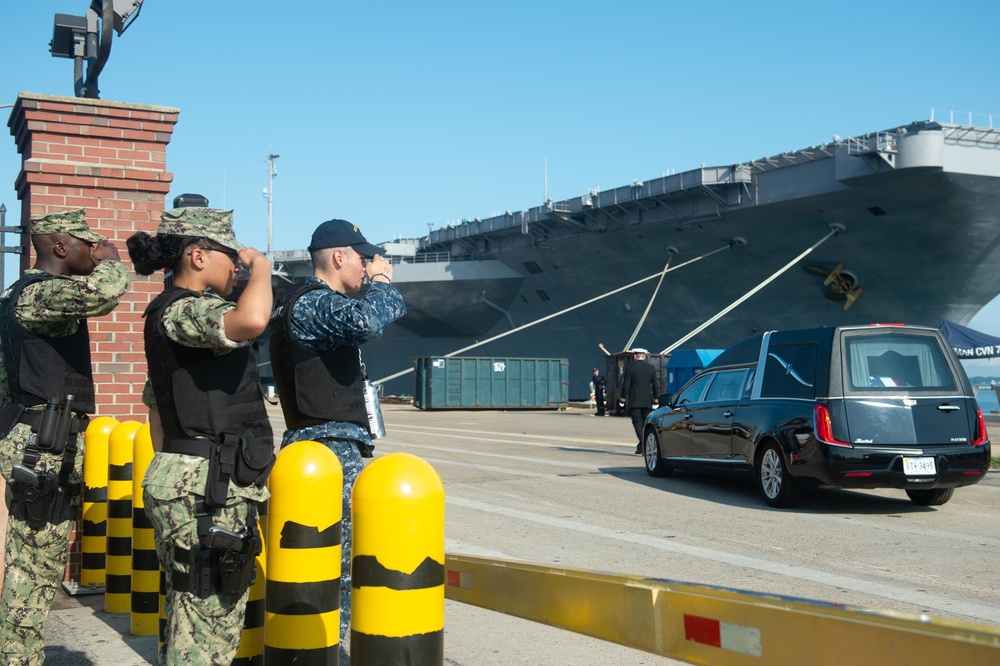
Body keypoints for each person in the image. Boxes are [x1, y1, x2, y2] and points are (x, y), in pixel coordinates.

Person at [127, 207, 274, 664]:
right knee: (208, 618)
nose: (238, 265)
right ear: (196, 255)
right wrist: (264, 268)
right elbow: (251, 321)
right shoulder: (186, 310)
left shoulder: (169, 319)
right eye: (230, 255)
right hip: (207, 487)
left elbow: (157, 408)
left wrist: (173, 465)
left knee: (190, 612)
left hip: (189, 476)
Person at [268, 218, 405, 662]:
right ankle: (324, 648)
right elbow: (367, 321)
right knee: (330, 563)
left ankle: (326, 646)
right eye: (363, 258)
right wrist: (384, 283)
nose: (368, 266)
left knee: (337, 561)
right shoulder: (312, 305)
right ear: (339, 257)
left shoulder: (317, 304)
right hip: (324, 448)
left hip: (331, 446)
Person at [0, 208, 129, 663]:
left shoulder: (17, 293)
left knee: (38, 559)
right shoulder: (42, 294)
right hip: (43, 444)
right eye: (86, 243)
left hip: (43, 437)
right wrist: (113, 259)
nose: (94, 250)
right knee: (34, 565)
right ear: (60, 247)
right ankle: (18, 657)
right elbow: (103, 296)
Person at [620, 348, 659, 454]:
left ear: (635, 356)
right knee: (646, 424)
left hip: (635, 401)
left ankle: (644, 444)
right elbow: (655, 386)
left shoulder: (630, 368)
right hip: (647, 402)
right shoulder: (651, 368)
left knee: (637, 423)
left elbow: (626, 385)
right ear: (644, 356)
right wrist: (656, 400)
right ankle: (641, 446)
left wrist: (622, 399)